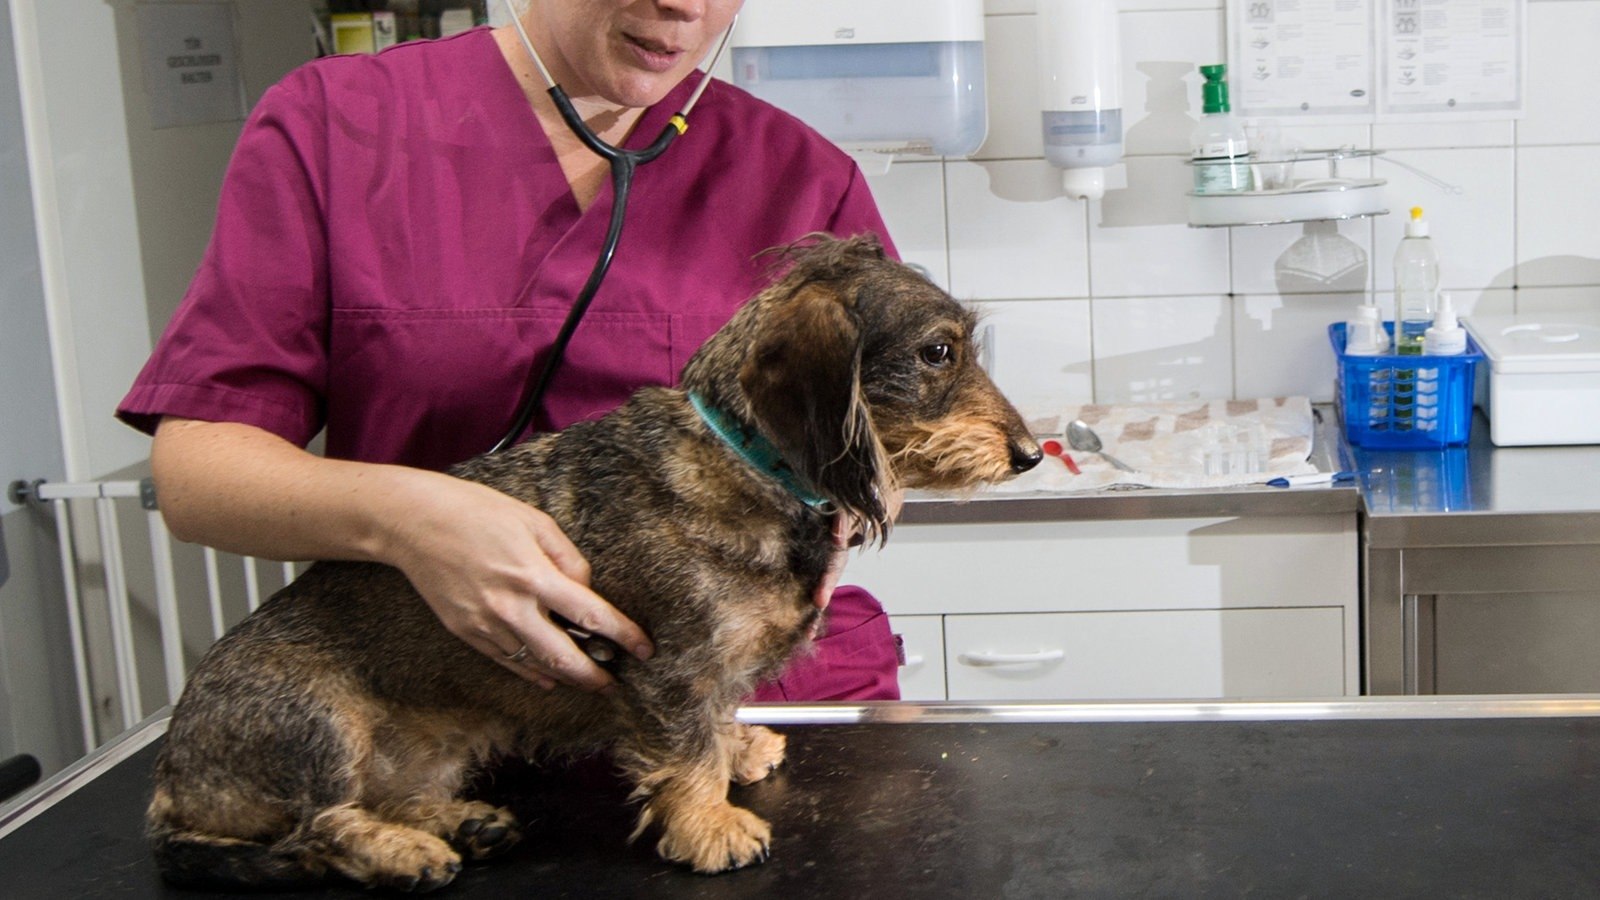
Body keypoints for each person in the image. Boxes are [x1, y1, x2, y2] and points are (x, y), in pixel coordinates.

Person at [117, 0, 902, 702]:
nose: (683, 5)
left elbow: (898, 434)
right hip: (446, 710)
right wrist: (407, 520)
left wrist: (863, 485)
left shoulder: (802, 178)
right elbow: (199, 473)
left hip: (741, 701)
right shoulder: (336, 124)